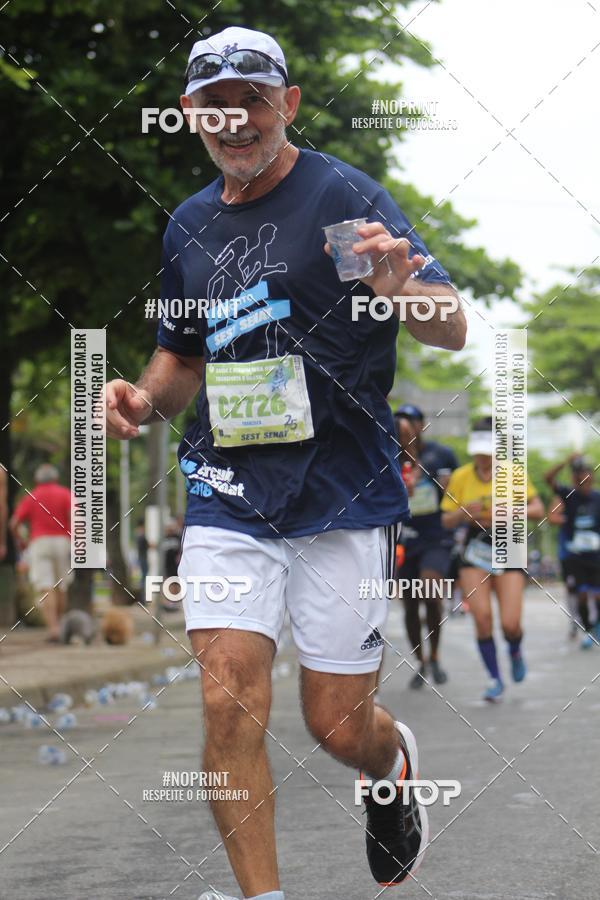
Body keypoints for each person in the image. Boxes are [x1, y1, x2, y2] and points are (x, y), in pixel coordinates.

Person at [104, 26, 466, 899]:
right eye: (215, 106)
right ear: (189, 114)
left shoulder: (338, 200)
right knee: (227, 694)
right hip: (231, 492)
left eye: (253, 102)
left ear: (287, 105)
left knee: (337, 727)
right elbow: (182, 359)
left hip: (342, 494)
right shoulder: (189, 224)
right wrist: (144, 400)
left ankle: (390, 762)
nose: (236, 121)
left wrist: (399, 290)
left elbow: (447, 324)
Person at [440, 418, 544, 702]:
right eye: (479, 452)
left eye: (488, 452)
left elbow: (538, 508)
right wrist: (462, 513)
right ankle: (494, 679)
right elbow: (446, 519)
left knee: (510, 623)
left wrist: (512, 510)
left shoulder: (513, 473)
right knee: (482, 617)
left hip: (508, 545)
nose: (483, 458)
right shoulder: (461, 477)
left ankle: (514, 649)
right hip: (475, 549)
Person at [393, 404, 458, 688]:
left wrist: (446, 487)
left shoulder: (440, 455)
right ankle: (420, 661)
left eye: (412, 422)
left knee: (431, 591)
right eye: (400, 423)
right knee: (409, 606)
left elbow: (458, 493)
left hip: (435, 536)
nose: (406, 428)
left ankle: (435, 655)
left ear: (421, 425)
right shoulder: (387, 457)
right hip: (402, 538)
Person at [9, 464, 73, 642]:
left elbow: (14, 523)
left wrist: (23, 540)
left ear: (37, 480)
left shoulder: (31, 496)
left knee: (45, 587)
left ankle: (53, 629)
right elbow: (76, 517)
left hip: (39, 542)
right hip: (63, 542)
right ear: (55, 478)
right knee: (62, 586)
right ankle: (60, 625)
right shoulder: (65, 493)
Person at [546, 457, 600, 649]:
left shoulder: (597, 498)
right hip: (573, 556)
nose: (582, 479)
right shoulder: (568, 495)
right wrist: (566, 460)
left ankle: (595, 628)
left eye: (586, 475)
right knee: (581, 595)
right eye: (578, 477)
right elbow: (548, 478)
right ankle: (587, 628)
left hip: (595, 556)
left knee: (597, 595)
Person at [544, 453, 587, 639]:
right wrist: (569, 519)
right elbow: (551, 516)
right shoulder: (566, 495)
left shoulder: (593, 496)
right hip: (569, 551)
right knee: (573, 589)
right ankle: (574, 622)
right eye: (576, 472)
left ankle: (590, 622)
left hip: (591, 553)